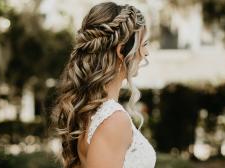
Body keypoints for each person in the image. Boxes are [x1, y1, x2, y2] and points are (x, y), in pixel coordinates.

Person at [50, 2, 156, 168]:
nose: (146, 53)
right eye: (143, 45)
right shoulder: (113, 120)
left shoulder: (91, 113)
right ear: (121, 51)